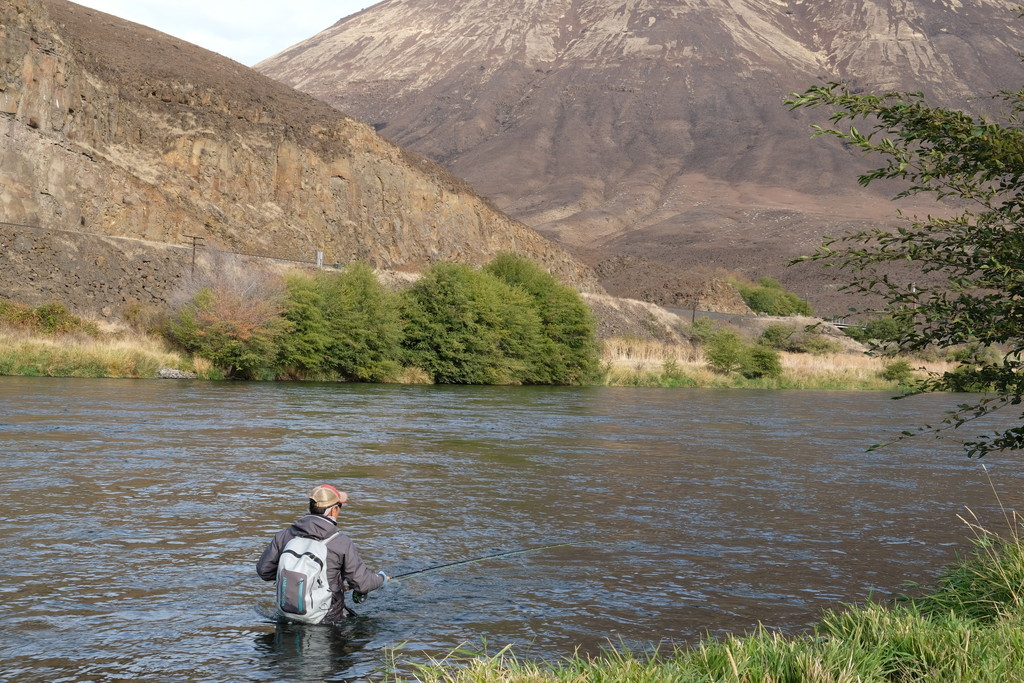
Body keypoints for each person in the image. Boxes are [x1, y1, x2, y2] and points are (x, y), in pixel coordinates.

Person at [257, 484, 389, 623]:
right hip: (327, 619)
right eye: (339, 507)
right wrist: (381, 578)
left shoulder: (283, 536)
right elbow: (362, 584)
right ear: (333, 510)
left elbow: (264, 571)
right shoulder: (341, 542)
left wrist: (295, 580)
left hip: (287, 613)